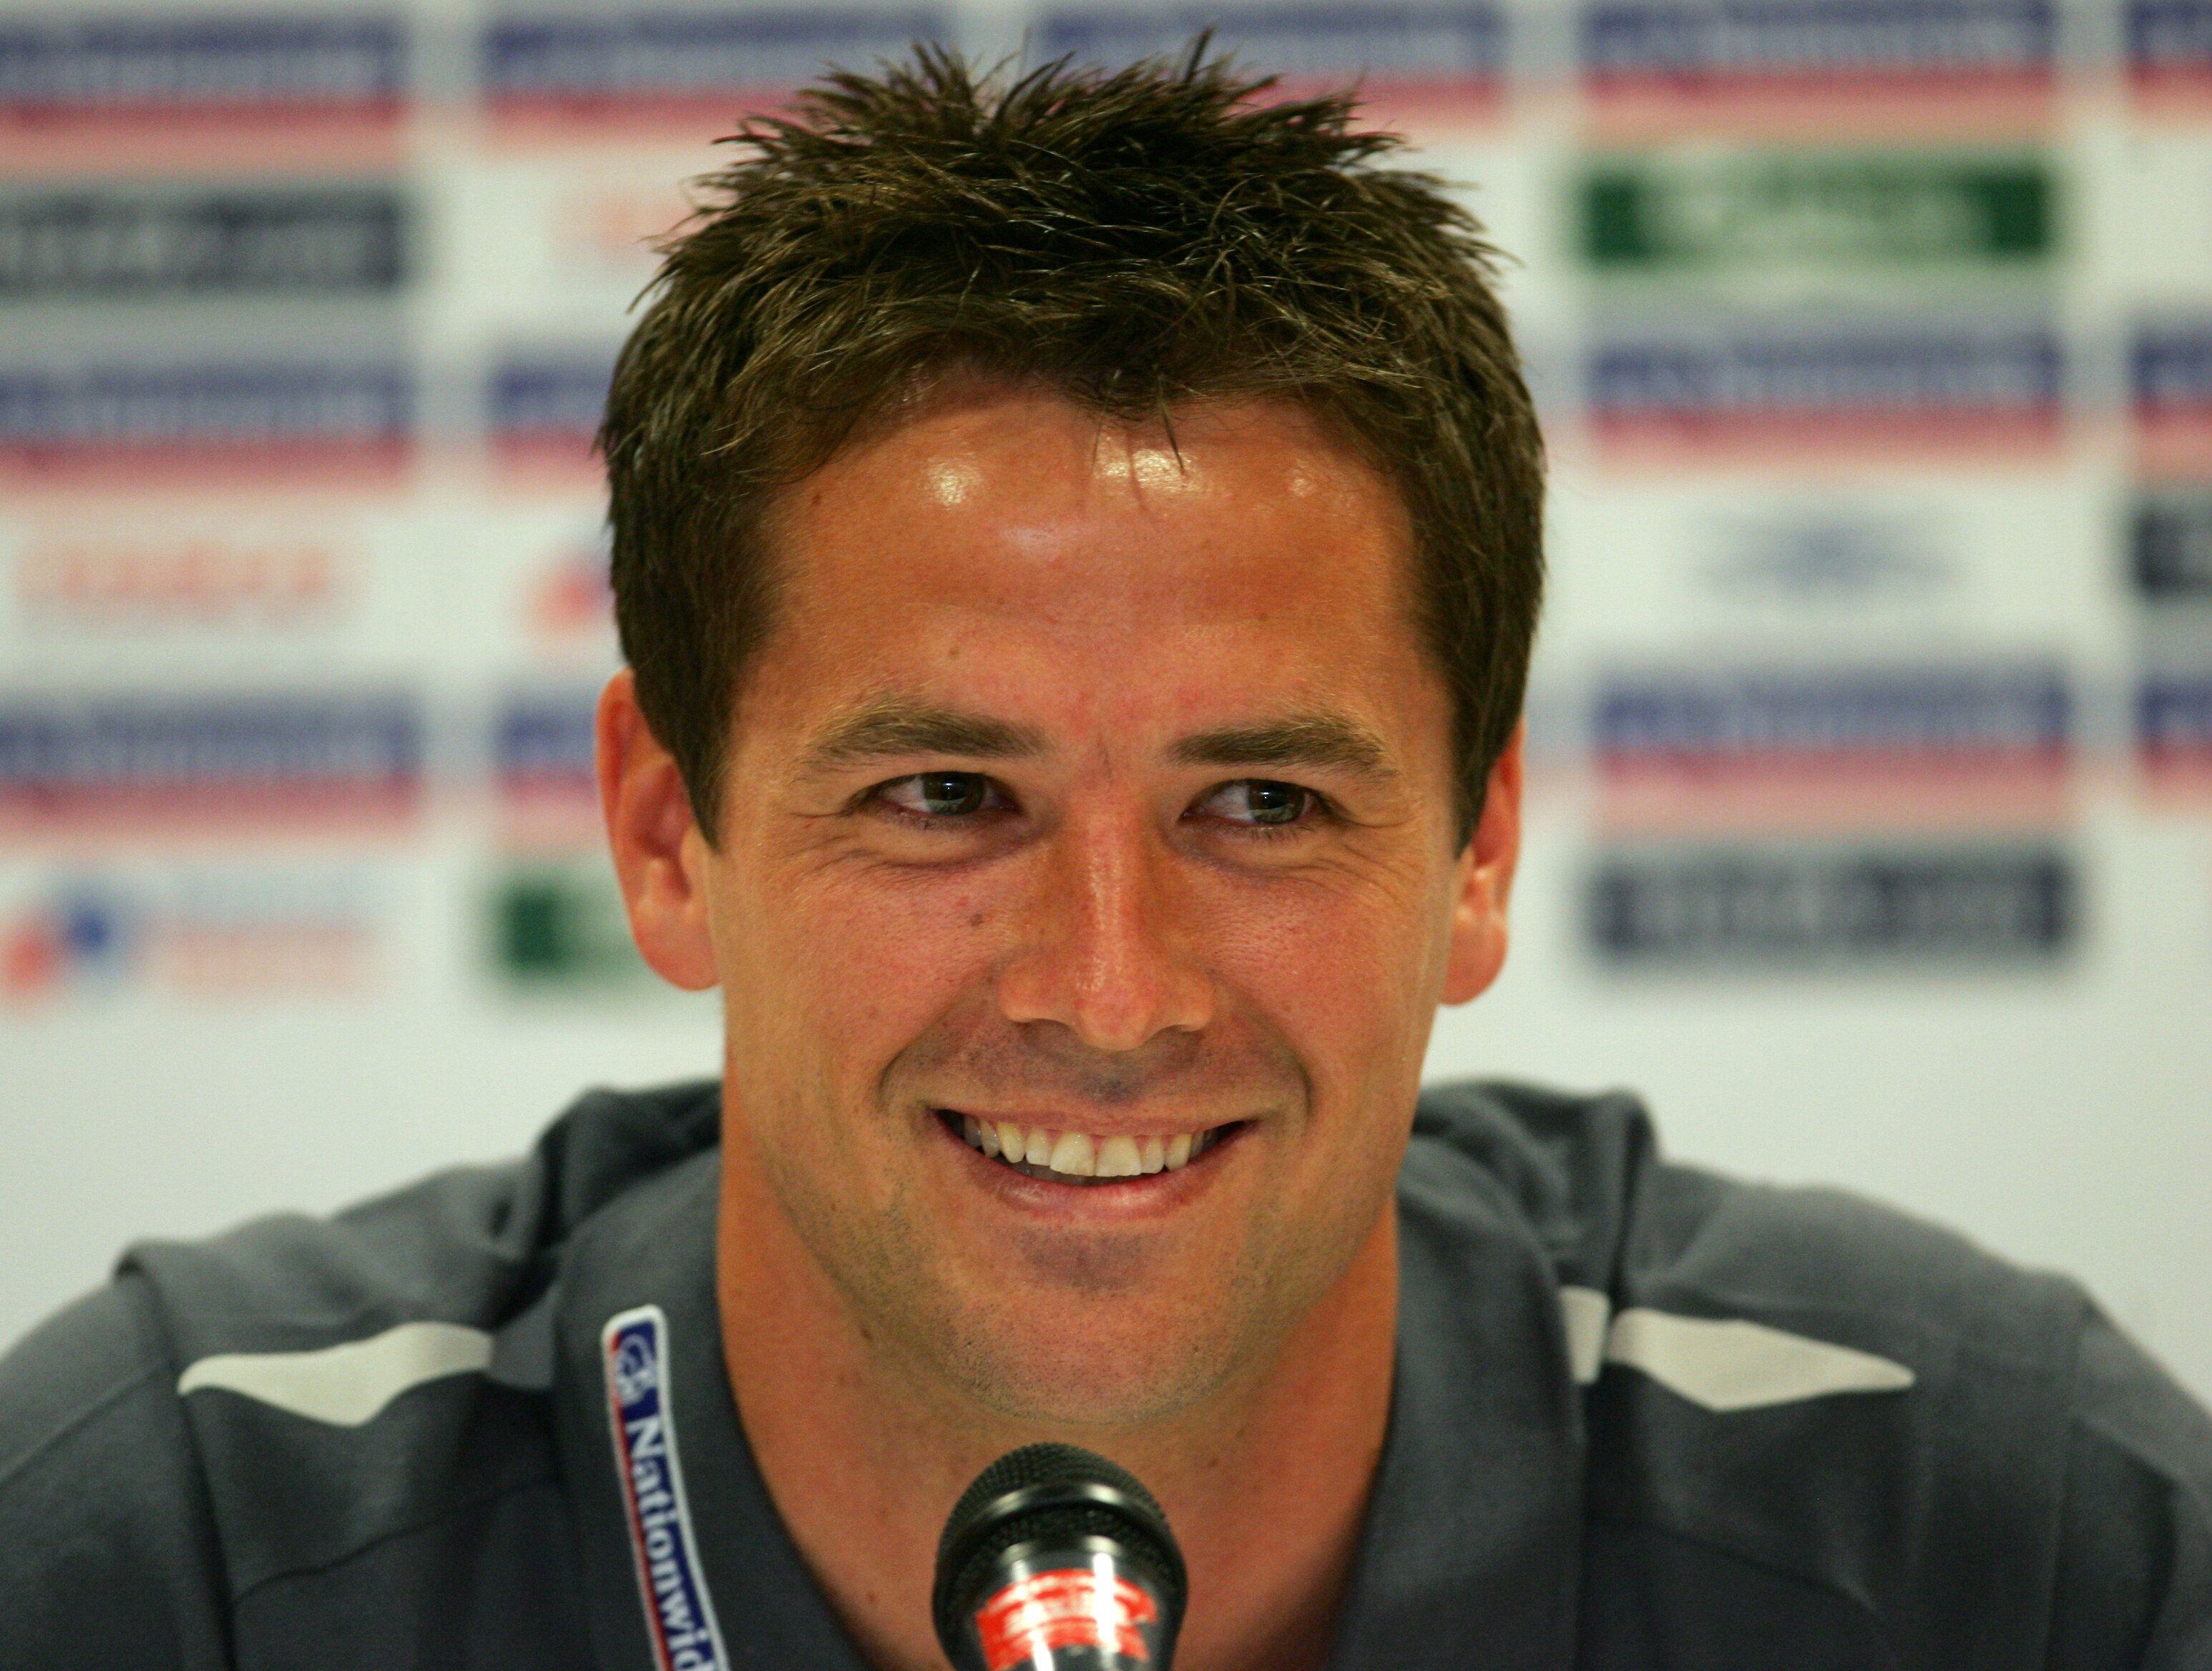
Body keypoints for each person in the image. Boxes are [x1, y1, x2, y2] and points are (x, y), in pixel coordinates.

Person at [2, 46, 2208, 1671]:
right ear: (667, 834)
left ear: (1475, 848)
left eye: (1261, 805)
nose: (1110, 990)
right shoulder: (162, 1555)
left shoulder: (1994, 1544)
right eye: (942, 798)